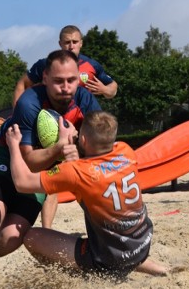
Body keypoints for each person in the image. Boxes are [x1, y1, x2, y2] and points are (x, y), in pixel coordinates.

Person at [0, 49, 102, 282]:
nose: (65, 87)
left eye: (71, 80)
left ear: (79, 77)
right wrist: (59, 148)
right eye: (58, 81)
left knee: (11, 238)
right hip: (5, 158)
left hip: (42, 167)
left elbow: (98, 147)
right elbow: (29, 160)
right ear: (45, 78)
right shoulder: (29, 103)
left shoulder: (86, 101)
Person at [6, 110, 168, 278]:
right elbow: (95, 172)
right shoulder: (126, 151)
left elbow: (22, 183)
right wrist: (76, 159)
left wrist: (14, 146)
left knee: (32, 237)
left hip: (109, 259)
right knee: (118, 238)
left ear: (82, 139)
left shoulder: (76, 172)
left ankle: (81, 277)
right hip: (141, 245)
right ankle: (157, 268)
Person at [13, 25, 118, 229]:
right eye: (67, 42)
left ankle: (104, 226)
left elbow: (113, 88)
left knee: (88, 179)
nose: (71, 46)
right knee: (53, 180)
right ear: (60, 44)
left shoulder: (92, 65)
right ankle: (47, 229)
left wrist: (104, 89)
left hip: (81, 127)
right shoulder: (46, 65)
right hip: (50, 124)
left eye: (75, 42)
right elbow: (21, 85)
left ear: (81, 43)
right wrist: (17, 116)